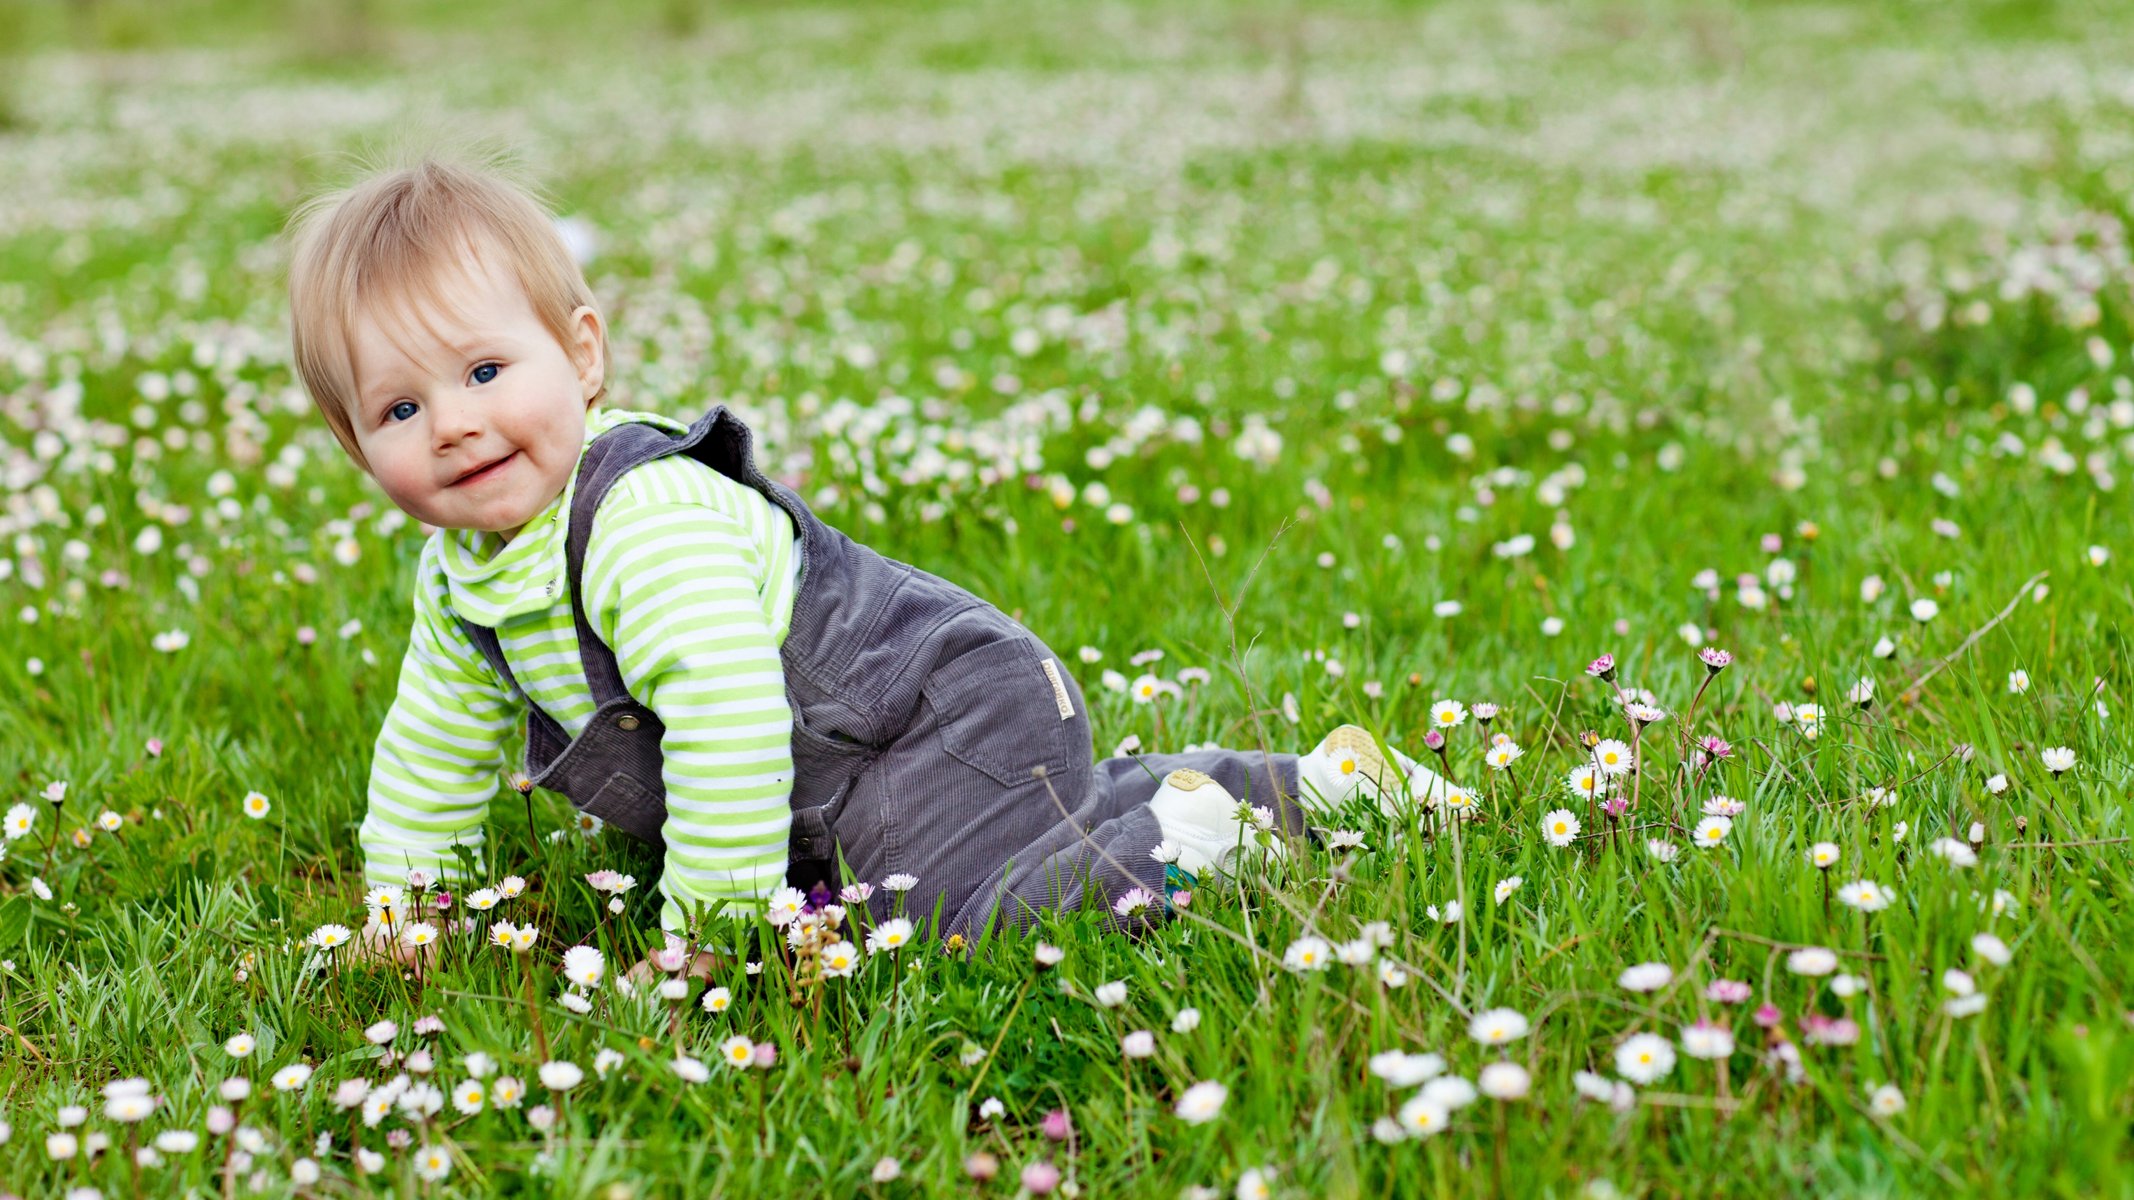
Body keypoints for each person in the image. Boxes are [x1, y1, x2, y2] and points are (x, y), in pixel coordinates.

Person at [283, 150, 1455, 965]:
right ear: (353, 444)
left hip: (932, 716)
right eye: (399, 408)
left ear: (581, 356)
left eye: (485, 371)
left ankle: (1198, 839)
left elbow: (731, 720)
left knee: (958, 921)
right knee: (956, 864)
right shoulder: (463, 581)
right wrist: (405, 912)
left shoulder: (640, 523)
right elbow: (432, 753)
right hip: (847, 775)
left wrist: (710, 936)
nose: (454, 424)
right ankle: (1312, 784)